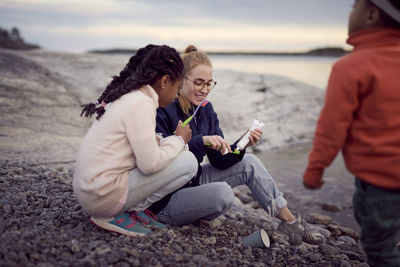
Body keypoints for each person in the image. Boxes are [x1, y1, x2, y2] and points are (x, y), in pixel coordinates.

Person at [148, 45, 320, 245]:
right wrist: (200, 141)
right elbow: (157, 159)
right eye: (198, 83)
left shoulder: (206, 109)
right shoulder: (164, 106)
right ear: (181, 79)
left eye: (209, 84)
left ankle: (290, 222)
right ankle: (189, 212)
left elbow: (219, 161)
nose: (204, 90)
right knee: (223, 194)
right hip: (164, 199)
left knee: (250, 162)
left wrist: (242, 142)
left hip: (192, 182)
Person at [303, 0, 400, 265]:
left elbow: (332, 126)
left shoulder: (352, 67)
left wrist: (316, 169)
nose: (350, 13)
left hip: (381, 182)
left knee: (381, 248)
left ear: (371, 15)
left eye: (353, 6)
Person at [73, 44, 198, 237]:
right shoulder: (142, 103)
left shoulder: (132, 97)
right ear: (165, 81)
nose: (176, 95)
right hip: (101, 197)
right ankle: (115, 214)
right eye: (178, 87)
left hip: (91, 190)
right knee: (188, 161)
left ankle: (130, 210)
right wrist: (180, 139)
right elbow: (150, 164)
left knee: (171, 147)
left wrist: (170, 142)